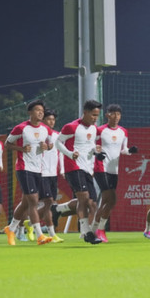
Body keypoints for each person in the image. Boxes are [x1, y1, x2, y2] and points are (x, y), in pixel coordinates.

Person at [3, 100, 53, 246]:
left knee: (25, 203)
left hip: (39, 169)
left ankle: (10, 228)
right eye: (37, 110)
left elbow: (50, 144)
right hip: (24, 168)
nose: (40, 113)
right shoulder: (21, 128)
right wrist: (21, 149)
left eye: (42, 111)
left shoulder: (46, 129)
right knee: (33, 200)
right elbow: (7, 144)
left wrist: (47, 146)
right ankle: (40, 235)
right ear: (30, 112)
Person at [55, 99, 104, 244]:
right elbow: (58, 143)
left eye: (97, 115)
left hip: (88, 169)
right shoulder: (71, 127)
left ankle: (57, 210)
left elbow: (90, 146)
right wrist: (70, 154)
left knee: (93, 204)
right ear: (86, 112)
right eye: (93, 115)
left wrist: (96, 151)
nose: (95, 118)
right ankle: (86, 232)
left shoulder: (94, 129)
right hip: (73, 167)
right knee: (83, 198)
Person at [92, 104, 137, 242]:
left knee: (107, 201)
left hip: (114, 170)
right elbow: (92, 147)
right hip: (101, 167)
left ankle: (93, 229)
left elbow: (123, 149)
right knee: (111, 199)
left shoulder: (123, 131)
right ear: (107, 115)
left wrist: (130, 151)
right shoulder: (99, 130)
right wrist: (96, 153)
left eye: (118, 114)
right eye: (113, 114)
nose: (116, 117)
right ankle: (100, 230)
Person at [37, 108, 65, 243]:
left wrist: (62, 170)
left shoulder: (57, 135)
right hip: (41, 173)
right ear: (43, 120)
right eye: (49, 119)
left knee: (50, 203)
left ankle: (27, 224)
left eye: (53, 119)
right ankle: (51, 233)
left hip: (53, 173)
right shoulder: (39, 134)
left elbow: (61, 153)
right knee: (43, 202)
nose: (51, 121)